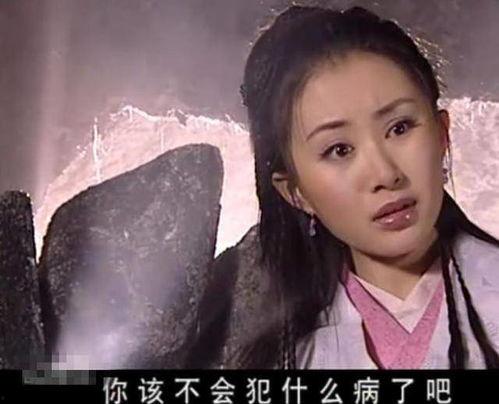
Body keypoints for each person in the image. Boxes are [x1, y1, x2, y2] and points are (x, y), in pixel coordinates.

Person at [235, 5, 499, 369]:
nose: (385, 174)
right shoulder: (285, 357)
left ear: (442, 134)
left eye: (400, 128)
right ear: (295, 191)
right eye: (339, 150)